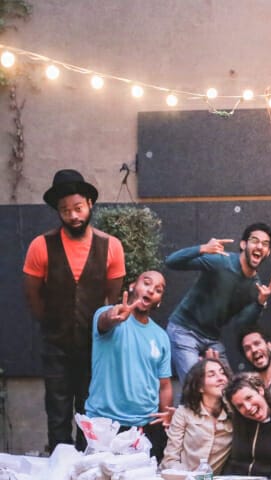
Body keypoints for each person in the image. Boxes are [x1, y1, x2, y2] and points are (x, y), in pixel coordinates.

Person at [23, 169, 125, 450]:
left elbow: (111, 297)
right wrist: (51, 323)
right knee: (57, 412)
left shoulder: (111, 246)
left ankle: (86, 467)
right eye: (65, 210)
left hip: (94, 346)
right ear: (58, 211)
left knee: (89, 412)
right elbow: (32, 294)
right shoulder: (41, 246)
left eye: (78, 208)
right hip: (55, 344)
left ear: (90, 204)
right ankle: (59, 464)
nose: (73, 215)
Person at [164, 222, 271, 381]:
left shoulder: (255, 287)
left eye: (265, 244)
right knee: (195, 385)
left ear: (268, 252)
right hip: (184, 330)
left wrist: (260, 303)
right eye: (254, 241)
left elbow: (241, 325)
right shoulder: (221, 261)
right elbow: (171, 261)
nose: (259, 246)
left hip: (212, 339)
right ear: (243, 244)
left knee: (228, 388)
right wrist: (202, 248)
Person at [84, 271, 172, 460]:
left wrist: (166, 417)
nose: (151, 290)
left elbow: (164, 385)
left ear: (159, 301)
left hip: (143, 428)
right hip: (103, 425)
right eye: (146, 283)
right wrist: (113, 316)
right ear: (132, 286)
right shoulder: (107, 315)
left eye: (158, 290)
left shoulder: (161, 336)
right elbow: (105, 321)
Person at [223, 372, 271, 478]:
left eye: (249, 398)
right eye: (240, 406)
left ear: (260, 390)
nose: (248, 407)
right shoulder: (240, 421)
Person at [238, 327, 271, 400]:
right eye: (247, 349)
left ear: (270, 346)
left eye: (257, 344)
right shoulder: (248, 391)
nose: (254, 350)